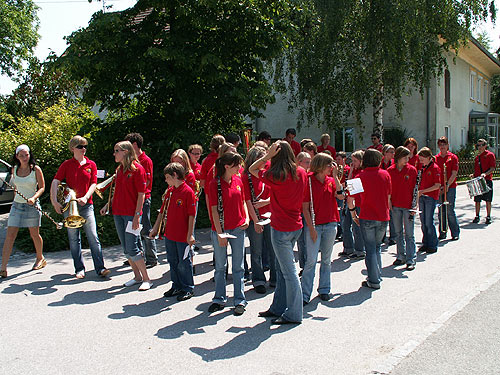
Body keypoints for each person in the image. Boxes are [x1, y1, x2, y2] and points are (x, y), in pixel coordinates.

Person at [250, 141, 307, 325]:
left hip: (281, 227)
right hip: (295, 225)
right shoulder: (301, 172)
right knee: (284, 271)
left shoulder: (275, 175)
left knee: (289, 273)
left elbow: (251, 169)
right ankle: (278, 307)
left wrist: (266, 156)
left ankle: (294, 313)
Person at [51, 136, 109, 279]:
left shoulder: (91, 164)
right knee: (73, 238)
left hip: (87, 205)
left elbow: (94, 183)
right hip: (70, 206)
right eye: (80, 146)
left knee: (93, 237)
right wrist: (54, 202)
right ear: (73, 149)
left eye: (85, 146)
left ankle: (100, 268)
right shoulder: (66, 164)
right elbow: (55, 181)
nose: (84, 149)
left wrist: (85, 196)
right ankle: (79, 269)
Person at [101, 141, 152, 290]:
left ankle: (147, 279)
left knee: (133, 247)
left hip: (131, 215)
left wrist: (137, 216)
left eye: (117, 150)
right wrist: (107, 205)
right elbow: (117, 191)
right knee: (126, 248)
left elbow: (141, 194)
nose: (114, 153)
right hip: (118, 212)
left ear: (125, 151)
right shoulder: (119, 169)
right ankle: (137, 277)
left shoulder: (138, 169)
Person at [207, 152, 249, 315]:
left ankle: (239, 300)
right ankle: (219, 298)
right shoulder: (214, 184)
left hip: (238, 228)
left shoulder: (238, 179)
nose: (240, 167)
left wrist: (246, 217)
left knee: (238, 267)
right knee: (220, 266)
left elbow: (243, 200)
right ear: (226, 166)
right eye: (237, 164)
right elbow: (214, 210)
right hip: (222, 229)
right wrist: (219, 233)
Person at [150, 162, 196, 301]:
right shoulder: (170, 191)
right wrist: (155, 228)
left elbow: (191, 215)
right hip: (170, 233)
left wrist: (190, 234)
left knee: (184, 262)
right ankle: (176, 285)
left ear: (175, 175)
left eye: (167, 177)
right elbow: (162, 211)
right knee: (172, 261)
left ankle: (188, 287)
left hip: (182, 235)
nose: (166, 180)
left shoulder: (188, 192)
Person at [302, 153, 344, 303]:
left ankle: (324, 289)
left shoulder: (331, 181)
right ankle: (305, 294)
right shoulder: (308, 181)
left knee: (326, 260)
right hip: (315, 225)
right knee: (311, 261)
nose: (331, 167)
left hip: (331, 223)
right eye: (329, 164)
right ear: (320, 165)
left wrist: (336, 177)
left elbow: (341, 196)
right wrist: (311, 228)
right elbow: (305, 208)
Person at [348, 149, 391, 290]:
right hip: (383, 216)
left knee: (371, 248)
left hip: (367, 215)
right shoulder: (386, 174)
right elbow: (389, 196)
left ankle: (373, 279)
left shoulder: (359, 176)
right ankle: (377, 274)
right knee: (377, 247)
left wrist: (354, 214)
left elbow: (350, 199)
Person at [1, 145, 46, 278]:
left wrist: (33, 198)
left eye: (26, 155)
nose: (25, 158)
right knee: (10, 236)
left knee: (34, 234)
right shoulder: (15, 169)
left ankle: (40, 258)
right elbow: (16, 188)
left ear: (29, 155)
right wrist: (16, 200)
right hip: (17, 206)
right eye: (21, 155)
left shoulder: (35, 169)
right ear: (17, 157)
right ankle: (3, 267)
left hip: (32, 205)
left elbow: (42, 187)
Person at [242, 146, 275, 294]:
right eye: (261, 159)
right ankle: (258, 280)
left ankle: (275, 278)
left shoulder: (266, 174)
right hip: (255, 217)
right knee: (256, 251)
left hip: (270, 216)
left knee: (273, 249)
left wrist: (266, 202)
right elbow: (247, 200)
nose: (264, 162)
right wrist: (255, 221)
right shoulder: (246, 177)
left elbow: (274, 194)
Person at [124, 133, 158, 268]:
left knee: (145, 229)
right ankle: (137, 256)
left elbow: (147, 180)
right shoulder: (129, 160)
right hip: (133, 200)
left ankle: (152, 257)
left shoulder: (145, 160)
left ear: (135, 145)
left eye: (127, 145)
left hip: (144, 199)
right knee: (134, 229)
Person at [387, 146, 418, 270]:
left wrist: (415, 204)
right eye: (405, 157)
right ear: (399, 157)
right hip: (395, 205)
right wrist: (389, 202)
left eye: (408, 157)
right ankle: (401, 255)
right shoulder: (390, 170)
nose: (407, 160)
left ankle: (411, 259)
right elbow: (388, 189)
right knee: (398, 233)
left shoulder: (412, 170)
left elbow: (416, 189)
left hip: (408, 205)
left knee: (409, 234)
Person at [339, 150, 365, 259]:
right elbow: (348, 183)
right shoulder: (353, 171)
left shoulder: (361, 173)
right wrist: (350, 172)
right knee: (346, 225)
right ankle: (348, 247)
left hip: (356, 202)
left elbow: (353, 189)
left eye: (355, 161)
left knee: (356, 227)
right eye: (352, 161)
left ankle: (359, 250)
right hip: (349, 201)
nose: (353, 163)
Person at [417, 147, 441, 254]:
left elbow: (437, 185)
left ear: (428, 158)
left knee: (428, 221)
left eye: (422, 159)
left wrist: (423, 191)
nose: (420, 161)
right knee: (423, 221)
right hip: (422, 196)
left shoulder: (435, 168)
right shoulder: (423, 168)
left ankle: (432, 244)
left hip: (430, 197)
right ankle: (425, 242)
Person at [435, 137, 460, 240]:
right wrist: (439, 187)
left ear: (448, 145)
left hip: (450, 187)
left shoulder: (453, 157)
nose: (442, 147)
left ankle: (455, 232)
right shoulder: (436, 158)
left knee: (450, 210)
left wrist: (447, 185)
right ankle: (442, 231)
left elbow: (454, 173)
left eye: (444, 144)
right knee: (441, 211)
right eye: (440, 145)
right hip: (439, 188)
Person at [472, 139, 496, 224]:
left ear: (485, 146)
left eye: (481, 145)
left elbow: (492, 168)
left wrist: (485, 174)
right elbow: (476, 170)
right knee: (477, 200)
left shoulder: (490, 155)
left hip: (487, 180)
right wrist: (473, 175)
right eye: (478, 145)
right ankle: (477, 215)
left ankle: (488, 216)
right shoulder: (477, 158)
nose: (480, 147)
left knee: (488, 199)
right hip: (478, 181)